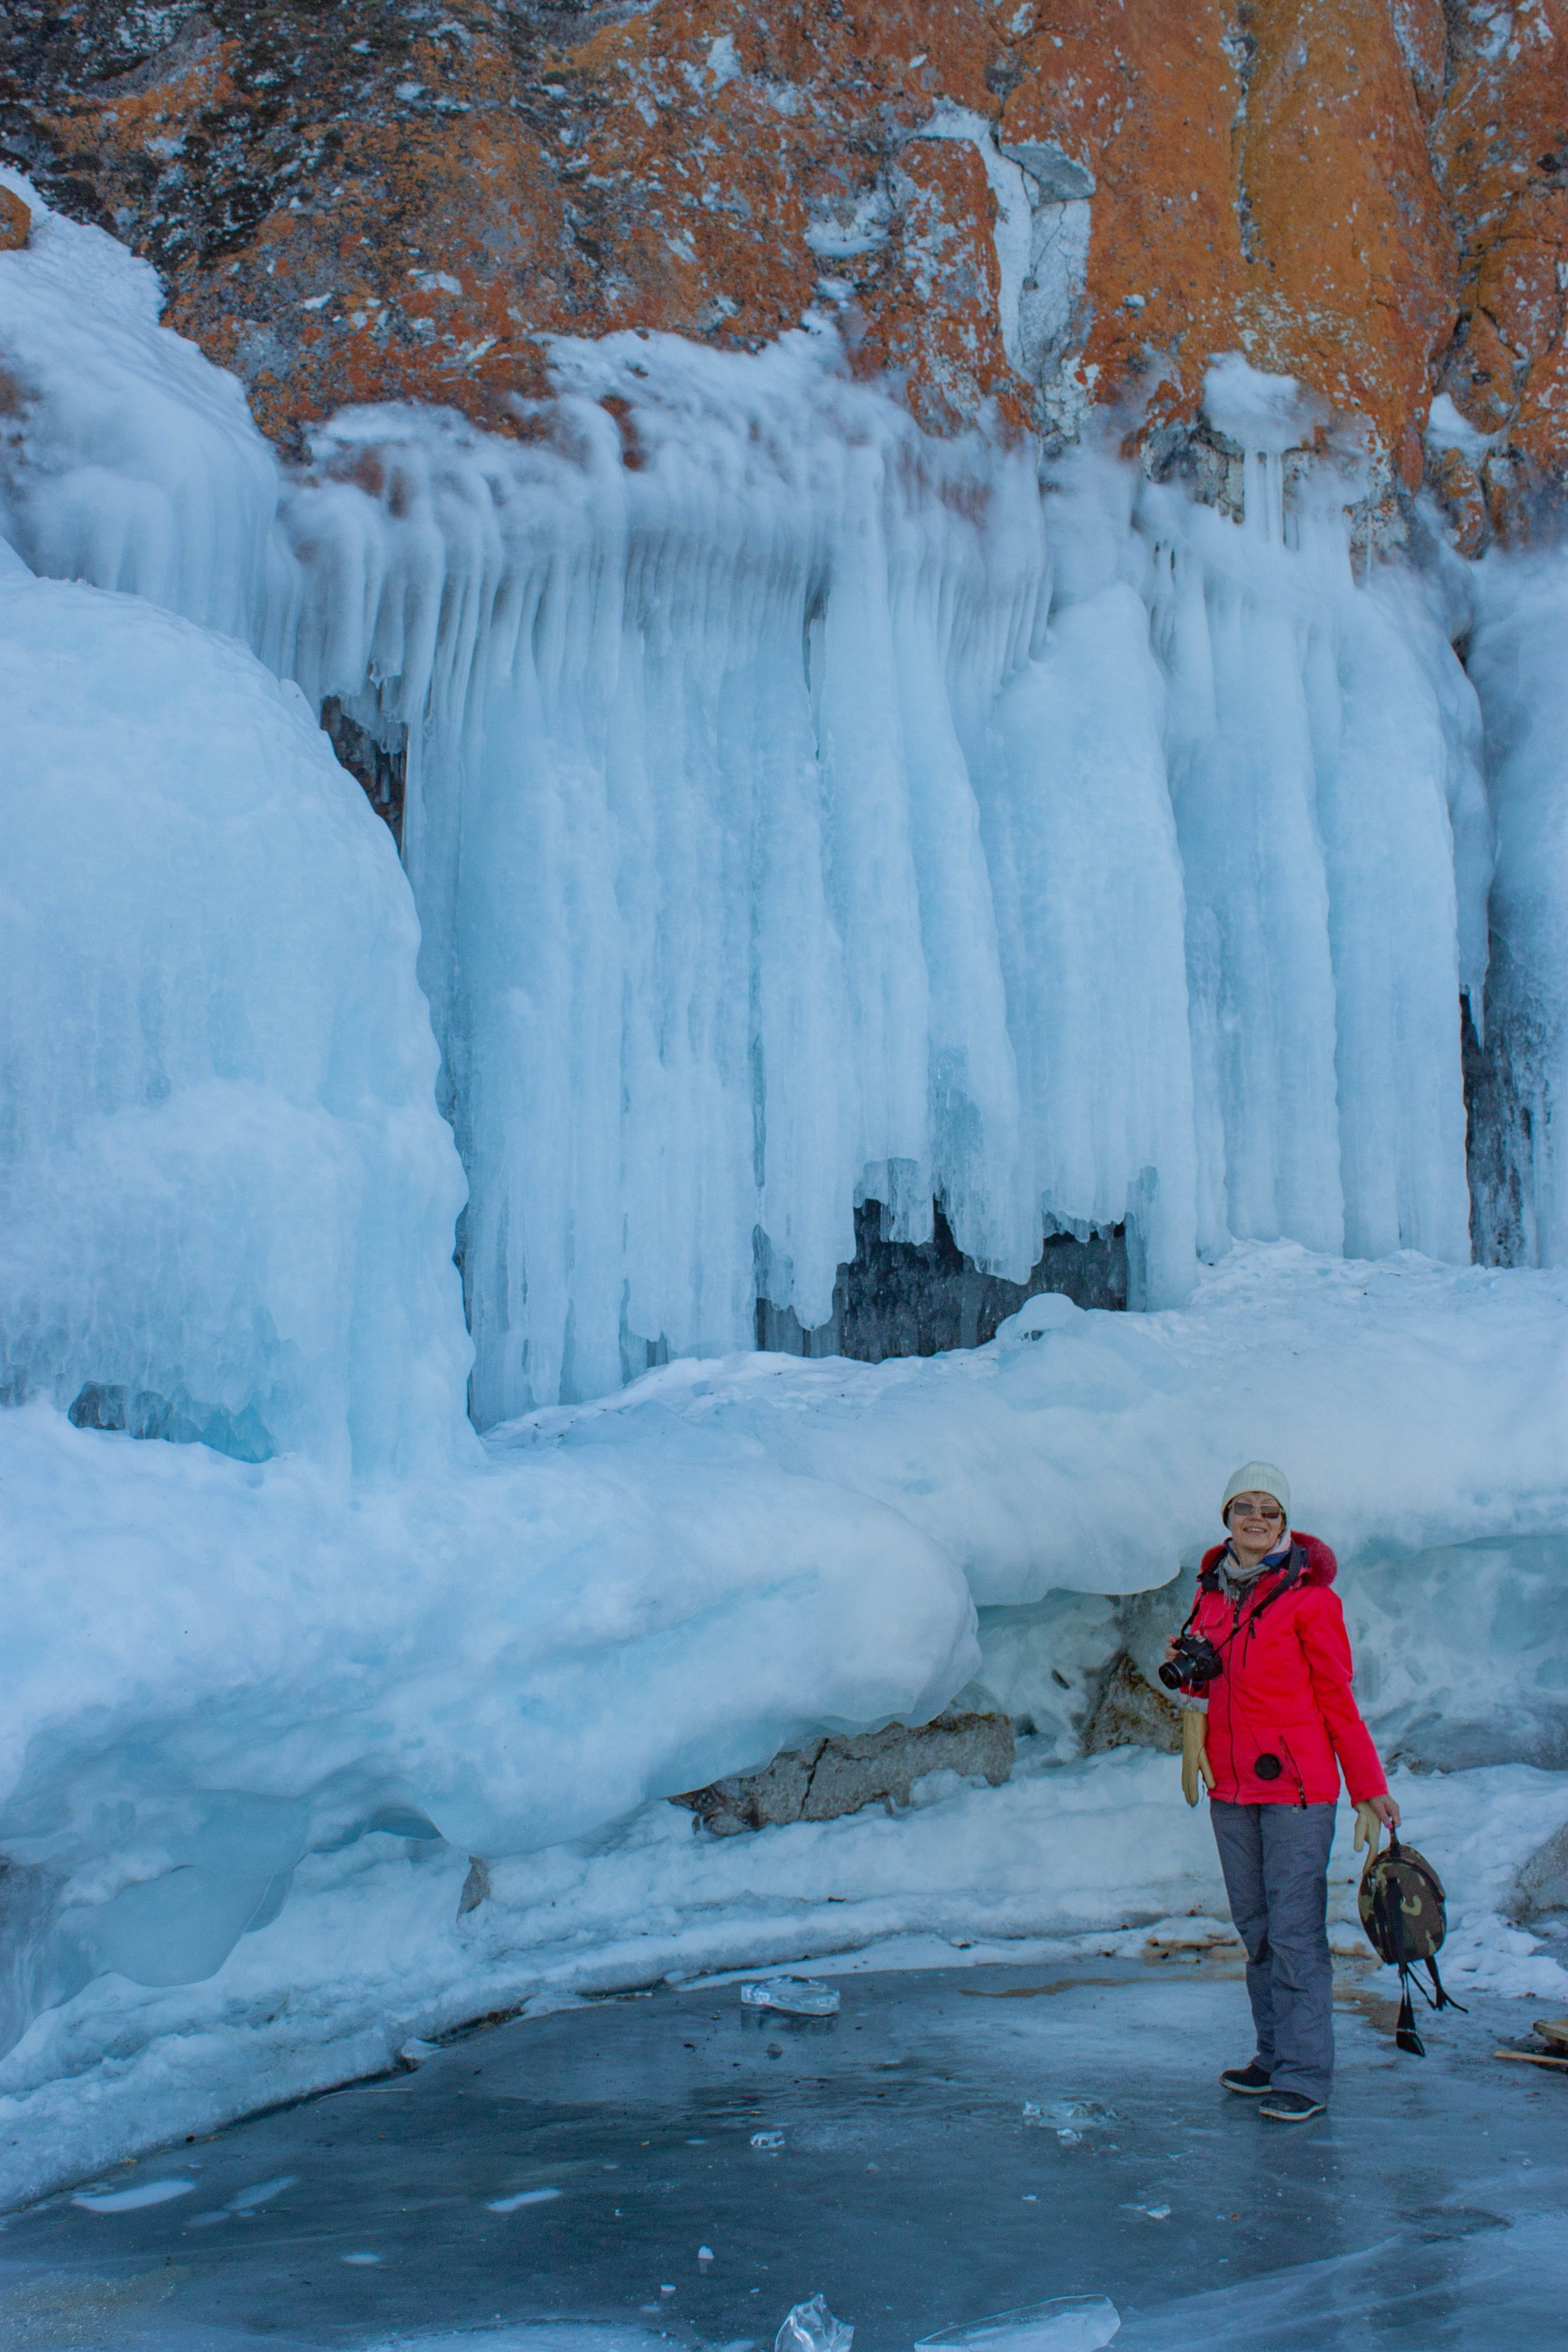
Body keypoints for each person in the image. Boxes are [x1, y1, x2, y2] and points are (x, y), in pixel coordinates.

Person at [1167, 1461, 1399, 2124]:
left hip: (1298, 1787)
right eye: (1245, 1507)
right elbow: (1206, 1684)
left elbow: (1336, 1698)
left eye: (1269, 1510)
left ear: (1283, 1523)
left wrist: (1367, 1788)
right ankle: (1271, 2055)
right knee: (1256, 1927)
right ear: (1226, 1519)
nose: (1257, 1519)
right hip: (1231, 1786)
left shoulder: (1311, 1601)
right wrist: (1191, 1718)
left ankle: (1304, 2074)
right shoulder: (1209, 1596)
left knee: (1295, 1932)